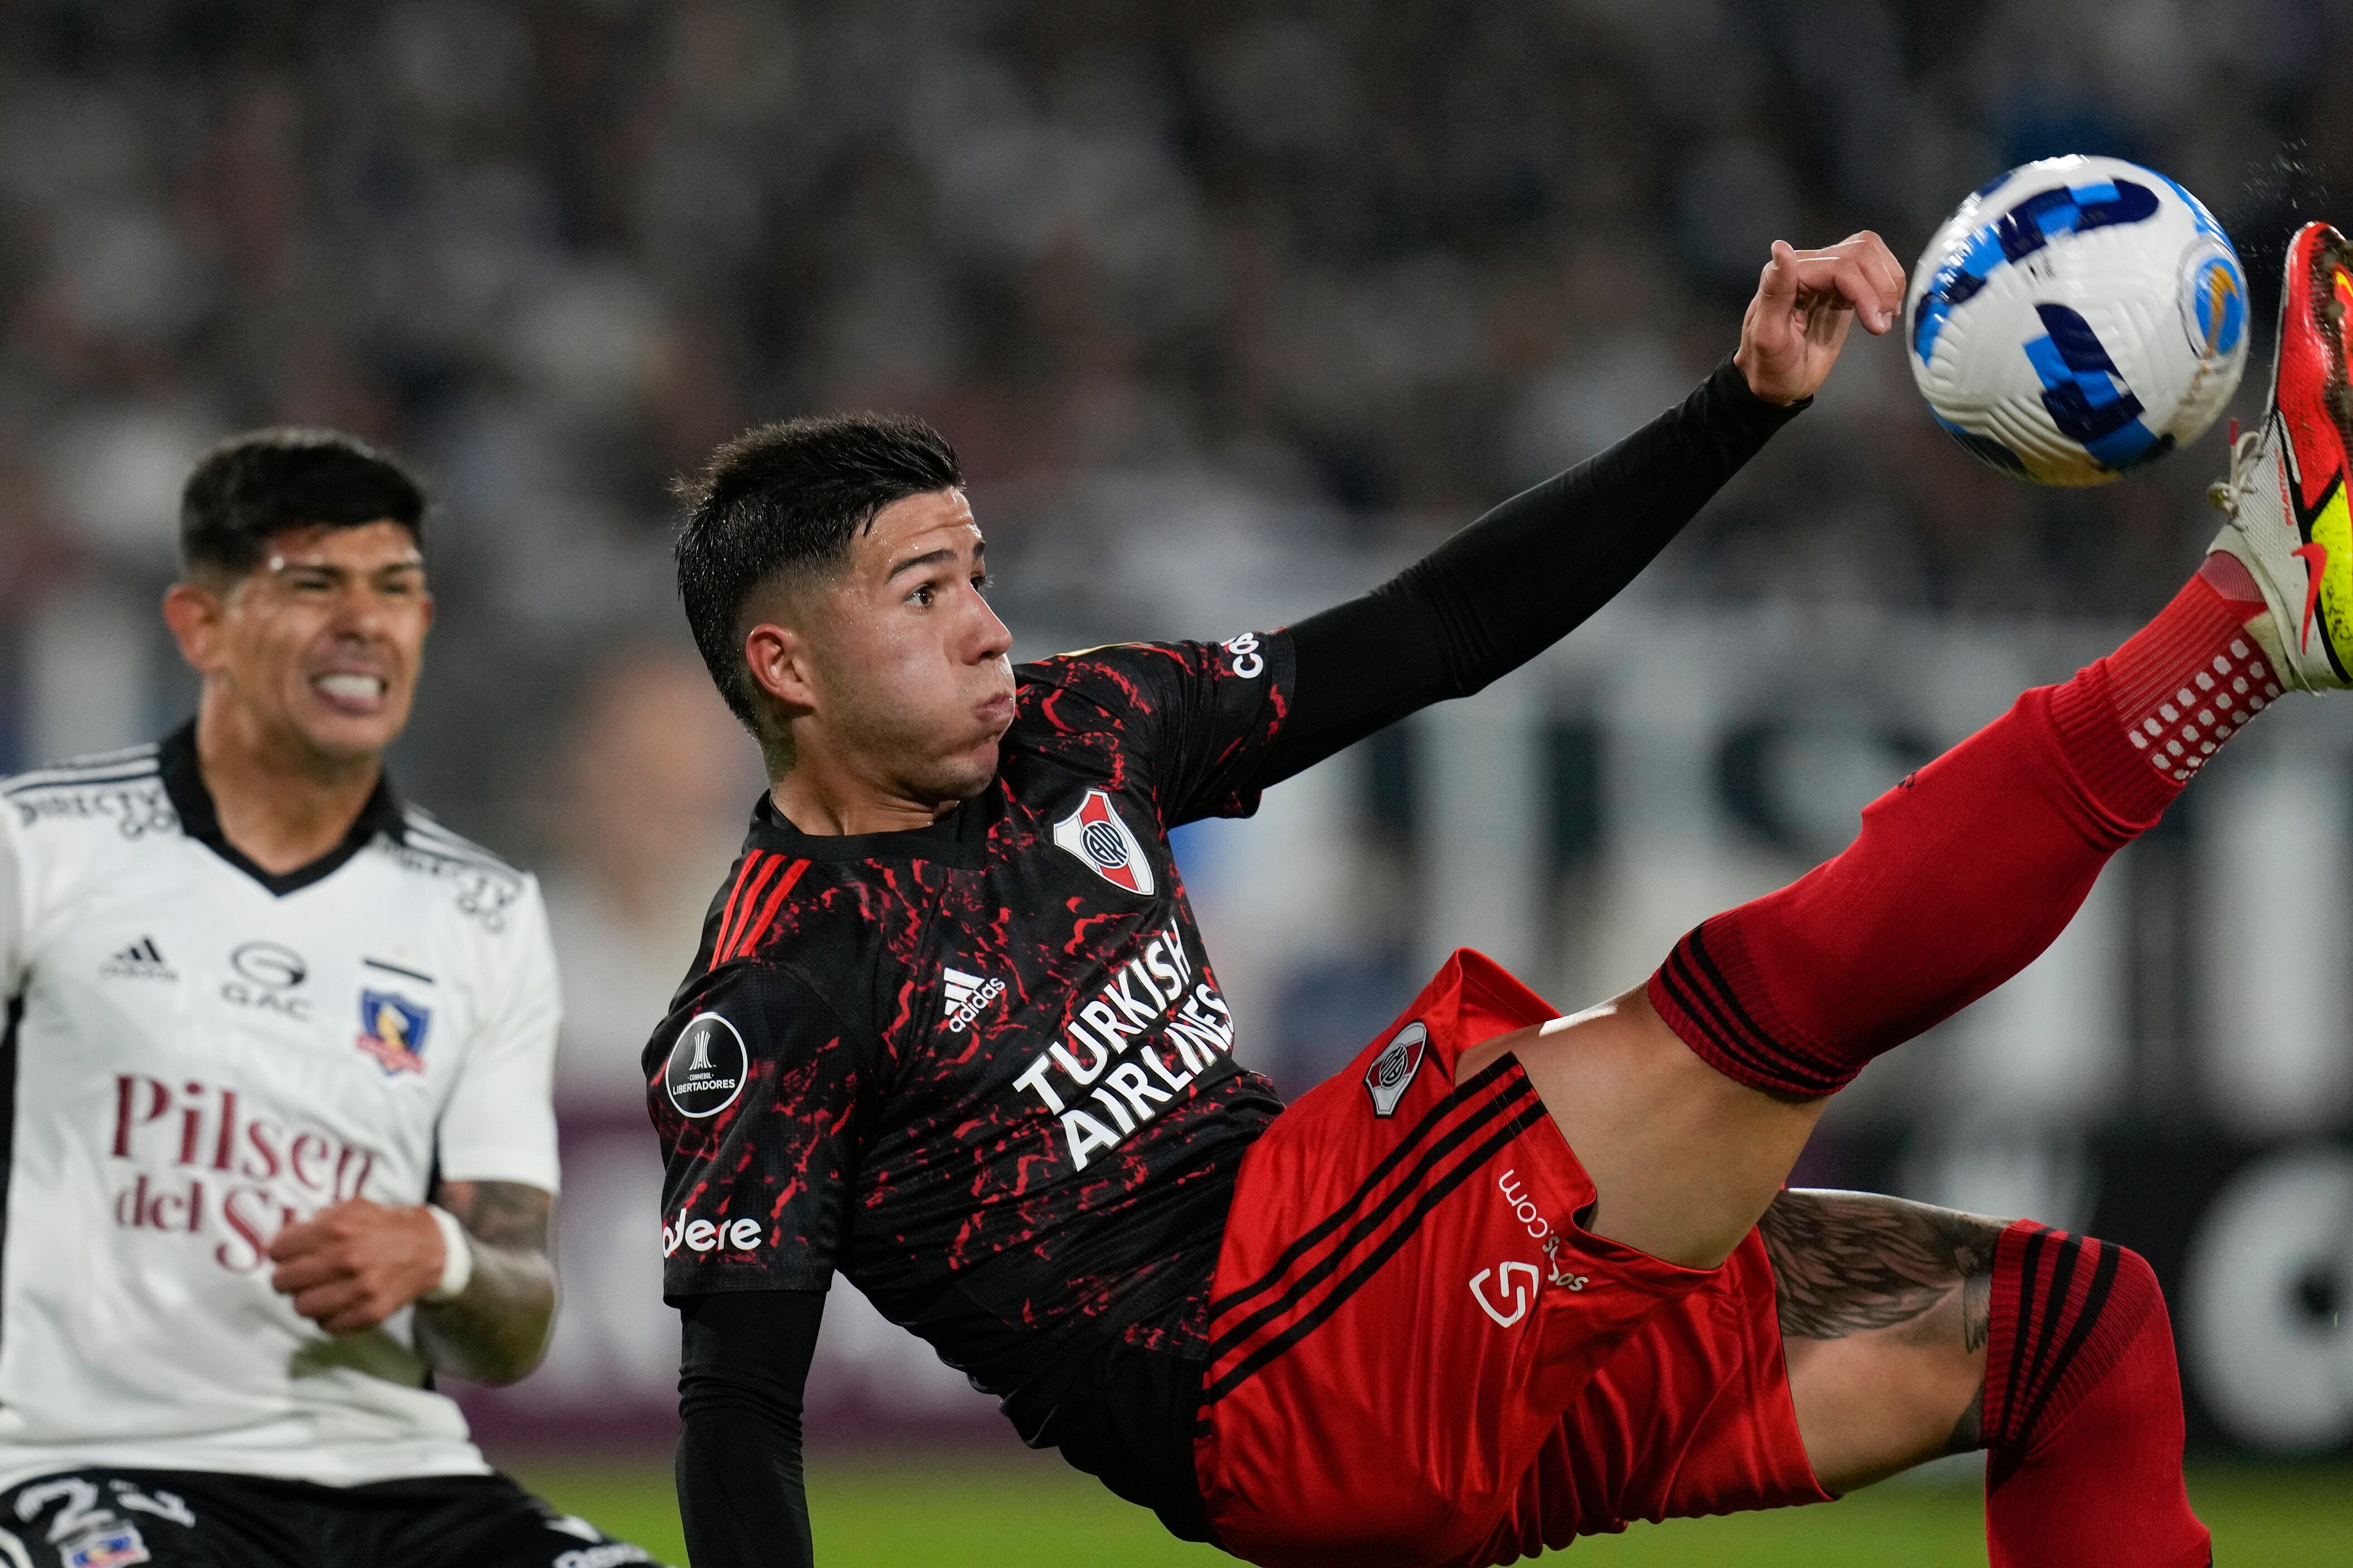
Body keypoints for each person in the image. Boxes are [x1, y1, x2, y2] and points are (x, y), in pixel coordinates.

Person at [646, 223, 2334, 1568]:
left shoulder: (1085, 729)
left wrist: (1736, 409)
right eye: (926, 593)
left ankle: (2262, 610)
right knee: (1748, 1009)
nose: (989, 626)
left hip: (1394, 1312)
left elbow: (1440, 629)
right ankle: (2254, 618)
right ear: (783, 665)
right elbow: (738, 1407)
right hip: (1265, 1376)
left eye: (983, 577)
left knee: (2067, 1330)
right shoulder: (775, 991)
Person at [0, 430, 657, 1567]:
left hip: (398, 1479)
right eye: (314, 585)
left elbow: (514, 1319)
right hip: (94, 1460)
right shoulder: (43, 849)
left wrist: (440, 1257)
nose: (364, 620)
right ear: (201, 625)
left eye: (395, 589)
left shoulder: (483, 914)